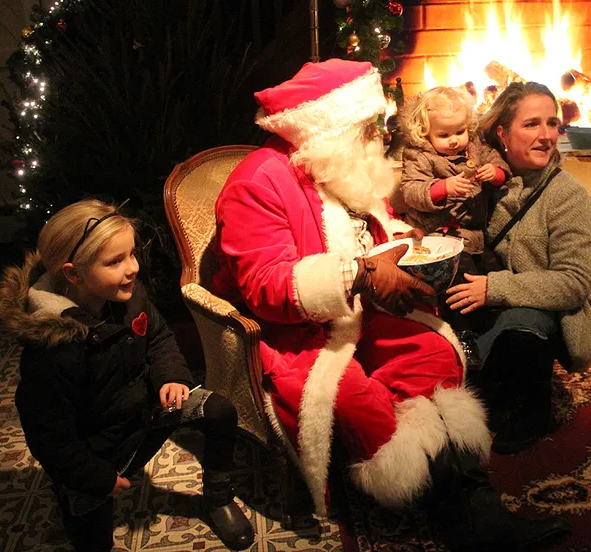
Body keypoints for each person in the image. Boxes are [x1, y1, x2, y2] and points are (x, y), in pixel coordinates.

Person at [212, 58, 570, 551]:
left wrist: (406, 242)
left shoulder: (338, 163)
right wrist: (359, 272)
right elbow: (265, 287)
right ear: (329, 128)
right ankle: (455, 514)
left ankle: (475, 504)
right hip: (298, 331)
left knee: (434, 356)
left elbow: (378, 228)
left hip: (364, 310)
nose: (375, 138)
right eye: (364, 128)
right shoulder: (259, 182)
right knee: (360, 404)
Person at [0, 200, 254, 552]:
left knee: (219, 410)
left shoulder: (129, 296)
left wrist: (170, 377)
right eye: (114, 262)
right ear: (73, 274)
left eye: (131, 254)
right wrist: (98, 478)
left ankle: (218, 497)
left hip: (144, 412)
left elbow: (160, 338)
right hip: (97, 451)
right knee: (91, 534)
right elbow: (48, 434)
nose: (132, 268)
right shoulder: (53, 348)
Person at [445, 82, 591, 455]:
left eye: (552, 123)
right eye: (532, 124)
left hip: (543, 311)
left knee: (525, 325)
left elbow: (574, 283)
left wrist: (493, 289)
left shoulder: (567, 195)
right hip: (483, 296)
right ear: (502, 133)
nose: (547, 135)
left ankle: (533, 411)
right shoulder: (481, 183)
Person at [395, 86, 510, 369]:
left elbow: (501, 167)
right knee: (457, 282)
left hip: (475, 235)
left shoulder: (477, 146)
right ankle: (462, 334)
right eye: (443, 135)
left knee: (493, 273)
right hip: (438, 238)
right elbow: (411, 191)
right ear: (425, 132)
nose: (453, 141)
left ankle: (496, 329)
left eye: (459, 132)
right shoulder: (420, 155)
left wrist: (494, 174)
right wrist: (442, 188)